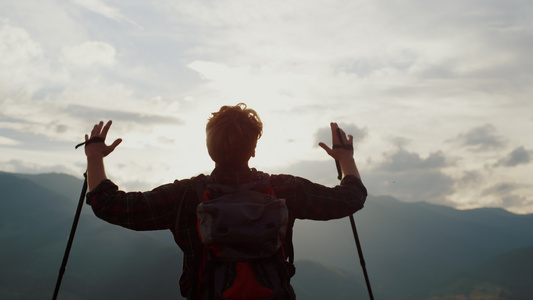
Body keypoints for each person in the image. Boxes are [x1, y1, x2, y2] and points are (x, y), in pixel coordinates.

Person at [83, 103, 367, 299]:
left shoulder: (184, 197)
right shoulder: (285, 190)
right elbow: (351, 197)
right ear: (253, 149)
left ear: (209, 148)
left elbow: (108, 204)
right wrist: (346, 159)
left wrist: (94, 156)